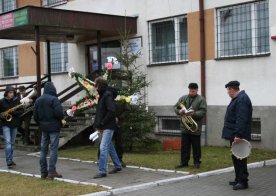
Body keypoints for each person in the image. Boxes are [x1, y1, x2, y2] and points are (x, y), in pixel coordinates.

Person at [222, 80, 252, 190]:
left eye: (228, 90)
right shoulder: (238, 99)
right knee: (236, 157)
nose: (227, 92)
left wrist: (238, 134)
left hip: (239, 135)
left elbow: (241, 118)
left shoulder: (242, 99)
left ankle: (243, 181)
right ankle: (238, 178)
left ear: (232, 89)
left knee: (240, 158)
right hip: (234, 133)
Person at [33, 82, 64, 179]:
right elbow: (59, 114)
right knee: (53, 149)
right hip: (54, 127)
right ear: (53, 89)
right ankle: (52, 171)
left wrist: (41, 123)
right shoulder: (54, 99)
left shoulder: (38, 100)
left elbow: (35, 116)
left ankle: (43, 172)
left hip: (43, 127)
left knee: (43, 150)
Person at [93, 78, 122, 179]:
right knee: (109, 146)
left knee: (103, 147)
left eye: (95, 85)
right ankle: (118, 165)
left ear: (99, 85)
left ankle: (102, 171)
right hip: (104, 126)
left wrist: (102, 123)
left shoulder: (107, 95)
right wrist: (98, 124)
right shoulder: (102, 95)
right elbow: (101, 112)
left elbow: (111, 111)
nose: (94, 87)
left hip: (108, 126)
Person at [174, 83, 207, 169]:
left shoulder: (201, 99)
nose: (191, 92)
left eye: (193, 90)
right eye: (190, 90)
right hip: (184, 126)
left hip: (195, 127)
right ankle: (184, 162)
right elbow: (176, 107)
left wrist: (194, 114)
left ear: (197, 90)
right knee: (185, 146)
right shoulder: (183, 98)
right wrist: (179, 111)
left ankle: (197, 162)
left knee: (196, 146)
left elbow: (203, 111)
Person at [0, 86, 23, 168]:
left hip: (14, 124)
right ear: (6, 93)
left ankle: (10, 159)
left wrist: (13, 113)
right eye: (10, 93)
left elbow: (21, 111)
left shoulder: (17, 100)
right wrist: (2, 115)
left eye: (13, 92)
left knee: (12, 144)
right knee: (8, 143)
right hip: (6, 124)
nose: (12, 94)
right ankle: (8, 160)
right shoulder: (1, 101)